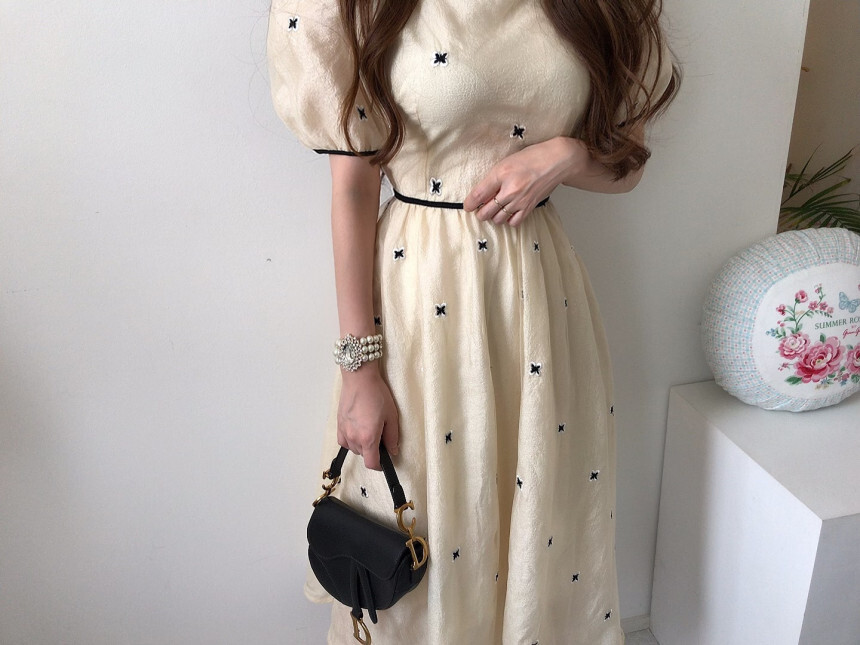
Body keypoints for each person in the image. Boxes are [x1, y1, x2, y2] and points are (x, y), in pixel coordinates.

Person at [267, 0, 679, 642]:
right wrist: (359, 371)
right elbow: (351, 188)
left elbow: (627, 166)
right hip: (416, 295)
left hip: (538, 299)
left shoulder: (599, 8)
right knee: (424, 517)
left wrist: (567, 155)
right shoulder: (364, 8)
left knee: (537, 510)